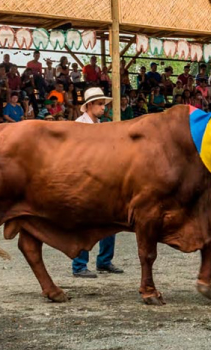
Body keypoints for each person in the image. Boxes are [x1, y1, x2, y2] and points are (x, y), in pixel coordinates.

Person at [68, 87, 123, 278]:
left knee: (110, 220)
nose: (103, 108)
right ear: (89, 105)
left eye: (103, 104)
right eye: (100, 104)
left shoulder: (100, 125)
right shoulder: (78, 126)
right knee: (85, 222)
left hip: (100, 177)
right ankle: (79, 265)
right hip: (83, 177)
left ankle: (104, 261)